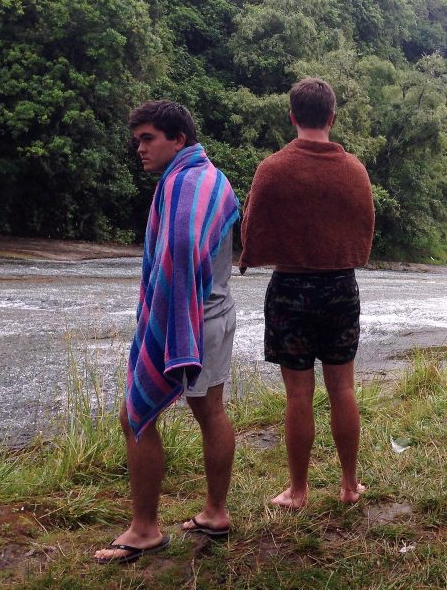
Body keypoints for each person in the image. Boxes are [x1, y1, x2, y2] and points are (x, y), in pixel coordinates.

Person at [95, 100, 240, 564]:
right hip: (216, 312)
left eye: (148, 138)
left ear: (178, 138)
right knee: (210, 411)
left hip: (192, 319)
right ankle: (215, 513)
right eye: (137, 139)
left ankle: (144, 530)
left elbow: (180, 246)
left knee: (135, 413)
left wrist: (169, 330)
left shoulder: (183, 184)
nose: (139, 148)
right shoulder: (209, 178)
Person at [239, 77, 375, 508]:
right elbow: (365, 226)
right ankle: (350, 486)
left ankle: (298, 492)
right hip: (340, 286)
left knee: (298, 394)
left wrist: (252, 256)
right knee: (343, 389)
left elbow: (251, 226)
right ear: (331, 117)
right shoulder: (354, 170)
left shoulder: (273, 168)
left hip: (290, 289)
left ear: (293, 116)